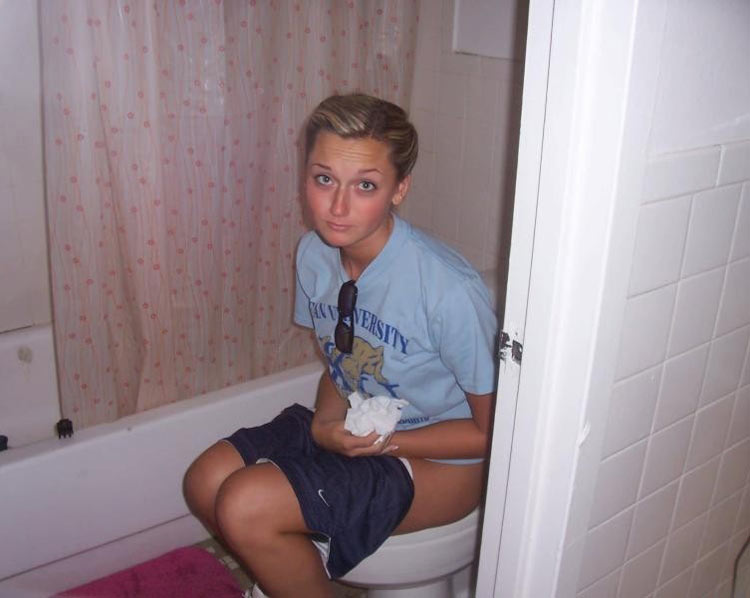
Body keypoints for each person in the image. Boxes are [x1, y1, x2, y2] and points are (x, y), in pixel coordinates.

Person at [183, 93, 497, 598]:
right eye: (324, 178)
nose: (337, 206)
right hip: (359, 424)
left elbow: (494, 434)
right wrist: (325, 425)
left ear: (399, 189)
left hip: (441, 465)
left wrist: (378, 442)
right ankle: (297, 571)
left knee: (244, 504)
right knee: (205, 481)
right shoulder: (314, 253)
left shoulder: (448, 290)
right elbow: (340, 363)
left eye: (365, 185)